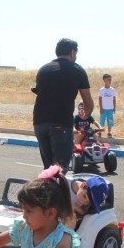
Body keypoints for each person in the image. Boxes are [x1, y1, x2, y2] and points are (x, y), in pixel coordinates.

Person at [33, 38, 94, 171]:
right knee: (60, 169)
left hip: (39, 122)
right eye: (76, 53)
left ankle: (46, 191)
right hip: (60, 123)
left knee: (48, 169)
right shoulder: (77, 70)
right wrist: (86, 115)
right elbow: (88, 101)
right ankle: (57, 191)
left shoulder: (43, 70)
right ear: (72, 52)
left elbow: (40, 93)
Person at [99, 74, 116, 138]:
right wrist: (101, 108)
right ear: (104, 80)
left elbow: (114, 99)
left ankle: (109, 132)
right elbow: (100, 99)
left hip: (110, 109)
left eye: (110, 80)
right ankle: (100, 132)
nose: (110, 81)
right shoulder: (101, 90)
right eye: (108, 80)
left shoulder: (112, 90)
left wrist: (114, 108)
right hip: (103, 108)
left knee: (110, 121)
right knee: (102, 121)